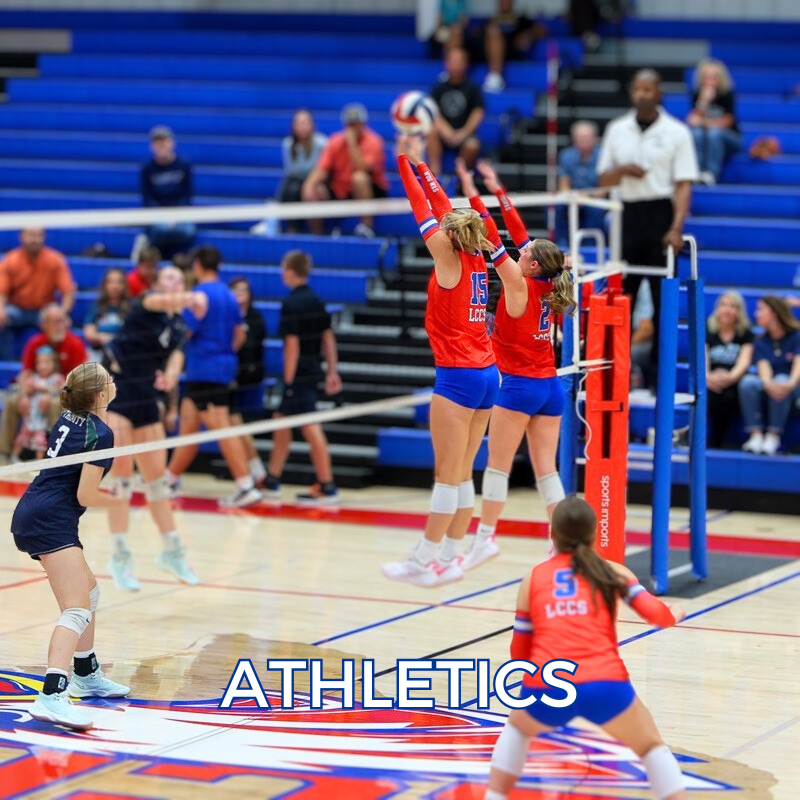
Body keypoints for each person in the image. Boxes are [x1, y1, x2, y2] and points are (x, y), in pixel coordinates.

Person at [484, 497, 687, 800]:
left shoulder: (535, 577)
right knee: (649, 746)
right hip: (604, 683)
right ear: (594, 535)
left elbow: (519, 650)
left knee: (517, 728)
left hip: (549, 683)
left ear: (553, 535)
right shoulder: (614, 572)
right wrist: (675, 614)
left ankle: (495, 795)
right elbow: (657, 616)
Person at [381, 138, 500, 588]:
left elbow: (422, 207)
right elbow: (442, 203)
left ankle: (424, 557)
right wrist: (422, 163)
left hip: (458, 377)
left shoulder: (447, 257)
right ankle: (451, 556)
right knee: (463, 472)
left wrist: (402, 162)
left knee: (446, 476)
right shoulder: (476, 255)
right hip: (487, 374)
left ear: (450, 233)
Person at [456, 160, 571, 571]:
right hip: (550, 387)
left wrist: (475, 199)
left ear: (532, 264)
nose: (520, 250)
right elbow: (517, 230)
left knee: (498, 466)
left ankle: (484, 539)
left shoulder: (518, 281)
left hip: (519, 386)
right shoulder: (546, 281)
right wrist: (488, 186)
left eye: (525, 253)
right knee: (546, 473)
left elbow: (490, 232)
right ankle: (561, 546)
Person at [11, 363, 131, 731]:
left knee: (90, 593)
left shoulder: (69, 417)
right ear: (99, 396)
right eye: (108, 380)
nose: (114, 382)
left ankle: (85, 671)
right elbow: (85, 494)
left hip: (39, 509)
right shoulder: (101, 433)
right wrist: (121, 500)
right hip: (50, 519)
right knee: (76, 609)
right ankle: (52, 694)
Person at [103, 266, 207, 592]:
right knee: (121, 479)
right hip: (118, 397)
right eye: (168, 280)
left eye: (179, 279)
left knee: (157, 483)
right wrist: (194, 297)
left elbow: (176, 358)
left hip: (147, 399)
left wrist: (171, 377)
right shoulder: (146, 302)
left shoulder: (178, 326)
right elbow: (161, 302)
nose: (173, 284)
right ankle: (119, 558)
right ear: (160, 287)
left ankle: (172, 551)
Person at [597, 69, 698, 377]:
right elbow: (602, 178)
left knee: (661, 299)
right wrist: (624, 169)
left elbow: (683, 184)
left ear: (659, 93)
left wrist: (676, 227)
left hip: (660, 214)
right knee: (621, 294)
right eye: (637, 88)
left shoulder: (677, 131)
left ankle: (658, 373)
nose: (642, 94)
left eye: (647, 89)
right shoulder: (616, 129)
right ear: (631, 93)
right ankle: (616, 370)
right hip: (625, 213)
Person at [166, 246, 263, 508]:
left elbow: (186, 331)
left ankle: (245, 485)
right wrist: (224, 352)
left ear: (197, 265)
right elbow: (239, 334)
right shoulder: (230, 296)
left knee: (221, 428)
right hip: (223, 365)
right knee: (189, 424)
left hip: (204, 369)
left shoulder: (199, 295)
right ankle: (170, 479)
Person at [263, 251, 342, 504]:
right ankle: (272, 478)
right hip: (313, 369)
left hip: (298, 374)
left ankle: (327, 485)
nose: (281, 273)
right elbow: (328, 340)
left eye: (282, 268)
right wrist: (332, 371)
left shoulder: (291, 303)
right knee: (281, 420)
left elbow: (292, 346)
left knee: (309, 425)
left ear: (290, 271)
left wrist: (288, 381)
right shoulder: (317, 301)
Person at [0, 305, 88, 460]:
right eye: (54, 322)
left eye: (61, 321)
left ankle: (55, 454)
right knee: (12, 401)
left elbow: (80, 379)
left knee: (56, 404)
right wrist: (24, 396)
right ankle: (4, 452)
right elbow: (25, 373)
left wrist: (53, 392)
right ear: (43, 325)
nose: (59, 326)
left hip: (64, 392)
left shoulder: (75, 343)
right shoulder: (35, 343)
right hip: (36, 390)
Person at [301, 104, 388, 238]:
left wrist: (352, 144)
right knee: (315, 189)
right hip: (341, 189)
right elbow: (321, 169)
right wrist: (309, 185)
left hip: (370, 189)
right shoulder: (335, 141)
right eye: (349, 125)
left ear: (363, 124)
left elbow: (362, 168)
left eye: (356, 124)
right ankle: (316, 235)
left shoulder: (374, 142)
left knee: (359, 178)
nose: (352, 128)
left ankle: (366, 227)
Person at [0, 228, 75, 361]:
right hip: (17, 309)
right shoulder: (10, 260)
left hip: (43, 310)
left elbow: (68, 291)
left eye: (38, 235)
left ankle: (53, 366)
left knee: (56, 321)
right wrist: (1, 310)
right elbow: (2, 291)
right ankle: (7, 363)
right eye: (30, 235)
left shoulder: (55, 259)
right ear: (21, 236)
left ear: (44, 237)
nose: (34, 239)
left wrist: (63, 313)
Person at [738, 297, 800, 455]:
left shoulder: (796, 336)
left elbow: (797, 369)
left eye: (760, 310)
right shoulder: (760, 341)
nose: (756, 314)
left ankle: (773, 436)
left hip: (794, 388)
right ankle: (756, 435)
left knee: (782, 379)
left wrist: (790, 384)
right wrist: (767, 384)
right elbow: (763, 369)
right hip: (772, 388)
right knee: (748, 382)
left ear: (774, 313)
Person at [135, 126, 196, 260]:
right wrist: (163, 215)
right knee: (160, 229)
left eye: (164, 141)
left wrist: (176, 215)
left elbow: (187, 195)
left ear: (172, 143)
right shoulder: (147, 168)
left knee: (187, 230)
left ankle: (180, 258)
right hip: (157, 214)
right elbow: (148, 198)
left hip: (180, 213)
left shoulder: (184, 165)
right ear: (152, 146)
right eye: (158, 142)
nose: (161, 145)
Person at [230, 277, 268, 488]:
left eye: (244, 290)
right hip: (229, 378)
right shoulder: (226, 317)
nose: (240, 293)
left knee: (238, 426)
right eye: (236, 290)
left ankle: (253, 473)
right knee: (236, 426)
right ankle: (253, 472)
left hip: (248, 380)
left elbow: (254, 349)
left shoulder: (255, 318)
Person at [706, 291, 754, 449]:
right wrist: (708, 377)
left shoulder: (746, 334)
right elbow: (701, 358)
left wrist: (728, 378)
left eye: (732, 306)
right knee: (710, 394)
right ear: (717, 308)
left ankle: (718, 444)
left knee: (727, 396)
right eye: (723, 305)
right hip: (710, 382)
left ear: (739, 312)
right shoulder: (708, 330)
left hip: (734, 383)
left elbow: (744, 363)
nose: (727, 310)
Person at [428, 47, 485, 175]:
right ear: (446, 64)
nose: (456, 66)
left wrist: (463, 133)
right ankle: (434, 174)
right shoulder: (439, 88)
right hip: (444, 132)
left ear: (466, 64)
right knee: (431, 132)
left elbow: (478, 112)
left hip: (464, 132)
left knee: (473, 145)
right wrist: (446, 131)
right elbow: (433, 112)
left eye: (459, 62)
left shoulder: (472, 88)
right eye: (452, 62)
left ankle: (458, 178)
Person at [687, 58, 741, 185]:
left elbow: (727, 122)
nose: (709, 81)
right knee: (696, 133)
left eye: (713, 77)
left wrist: (704, 123)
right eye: (706, 77)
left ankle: (711, 174)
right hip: (706, 136)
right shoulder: (697, 94)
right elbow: (692, 121)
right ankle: (697, 172)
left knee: (714, 133)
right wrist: (703, 102)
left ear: (720, 79)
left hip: (730, 138)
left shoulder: (727, 94)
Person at [275, 110, 328, 233]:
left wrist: (311, 180)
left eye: (305, 123)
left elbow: (322, 169)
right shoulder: (288, 144)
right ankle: (290, 226)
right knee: (292, 188)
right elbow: (291, 170)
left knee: (311, 190)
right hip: (296, 181)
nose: (302, 127)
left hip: (316, 181)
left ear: (312, 125)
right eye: (299, 123)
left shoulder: (322, 143)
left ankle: (316, 233)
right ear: (293, 127)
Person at [555, 120, 606, 248]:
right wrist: (571, 196)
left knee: (594, 209)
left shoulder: (603, 156)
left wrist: (587, 198)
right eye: (578, 137)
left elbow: (604, 189)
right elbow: (563, 185)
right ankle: (562, 245)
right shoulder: (566, 155)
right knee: (557, 205)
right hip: (574, 198)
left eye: (586, 137)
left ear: (595, 138)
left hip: (596, 199)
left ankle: (590, 247)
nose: (582, 140)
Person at [10, 346, 65, 462]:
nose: (42, 366)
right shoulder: (33, 378)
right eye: (39, 363)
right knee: (23, 436)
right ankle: (13, 457)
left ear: (54, 364)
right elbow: (25, 386)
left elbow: (61, 388)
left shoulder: (56, 378)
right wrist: (26, 391)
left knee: (40, 440)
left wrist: (45, 390)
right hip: (30, 415)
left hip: (42, 418)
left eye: (46, 362)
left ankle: (40, 462)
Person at [481, 0, 547, 94]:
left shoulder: (521, 20)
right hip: (489, 54)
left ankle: (495, 78)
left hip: (512, 51)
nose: (504, 3)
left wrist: (529, 35)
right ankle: (494, 76)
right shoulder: (491, 21)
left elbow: (542, 30)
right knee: (493, 33)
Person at [83, 268, 130, 360]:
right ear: (105, 285)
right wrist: (109, 338)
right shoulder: (96, 307)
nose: (115, 286)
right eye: (111, 282)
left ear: (124, 285)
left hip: (124, 352)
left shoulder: (131, 308)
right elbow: (89, 333)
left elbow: (132, 334)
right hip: (98, 352)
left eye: (119, 282)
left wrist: (108, 338)